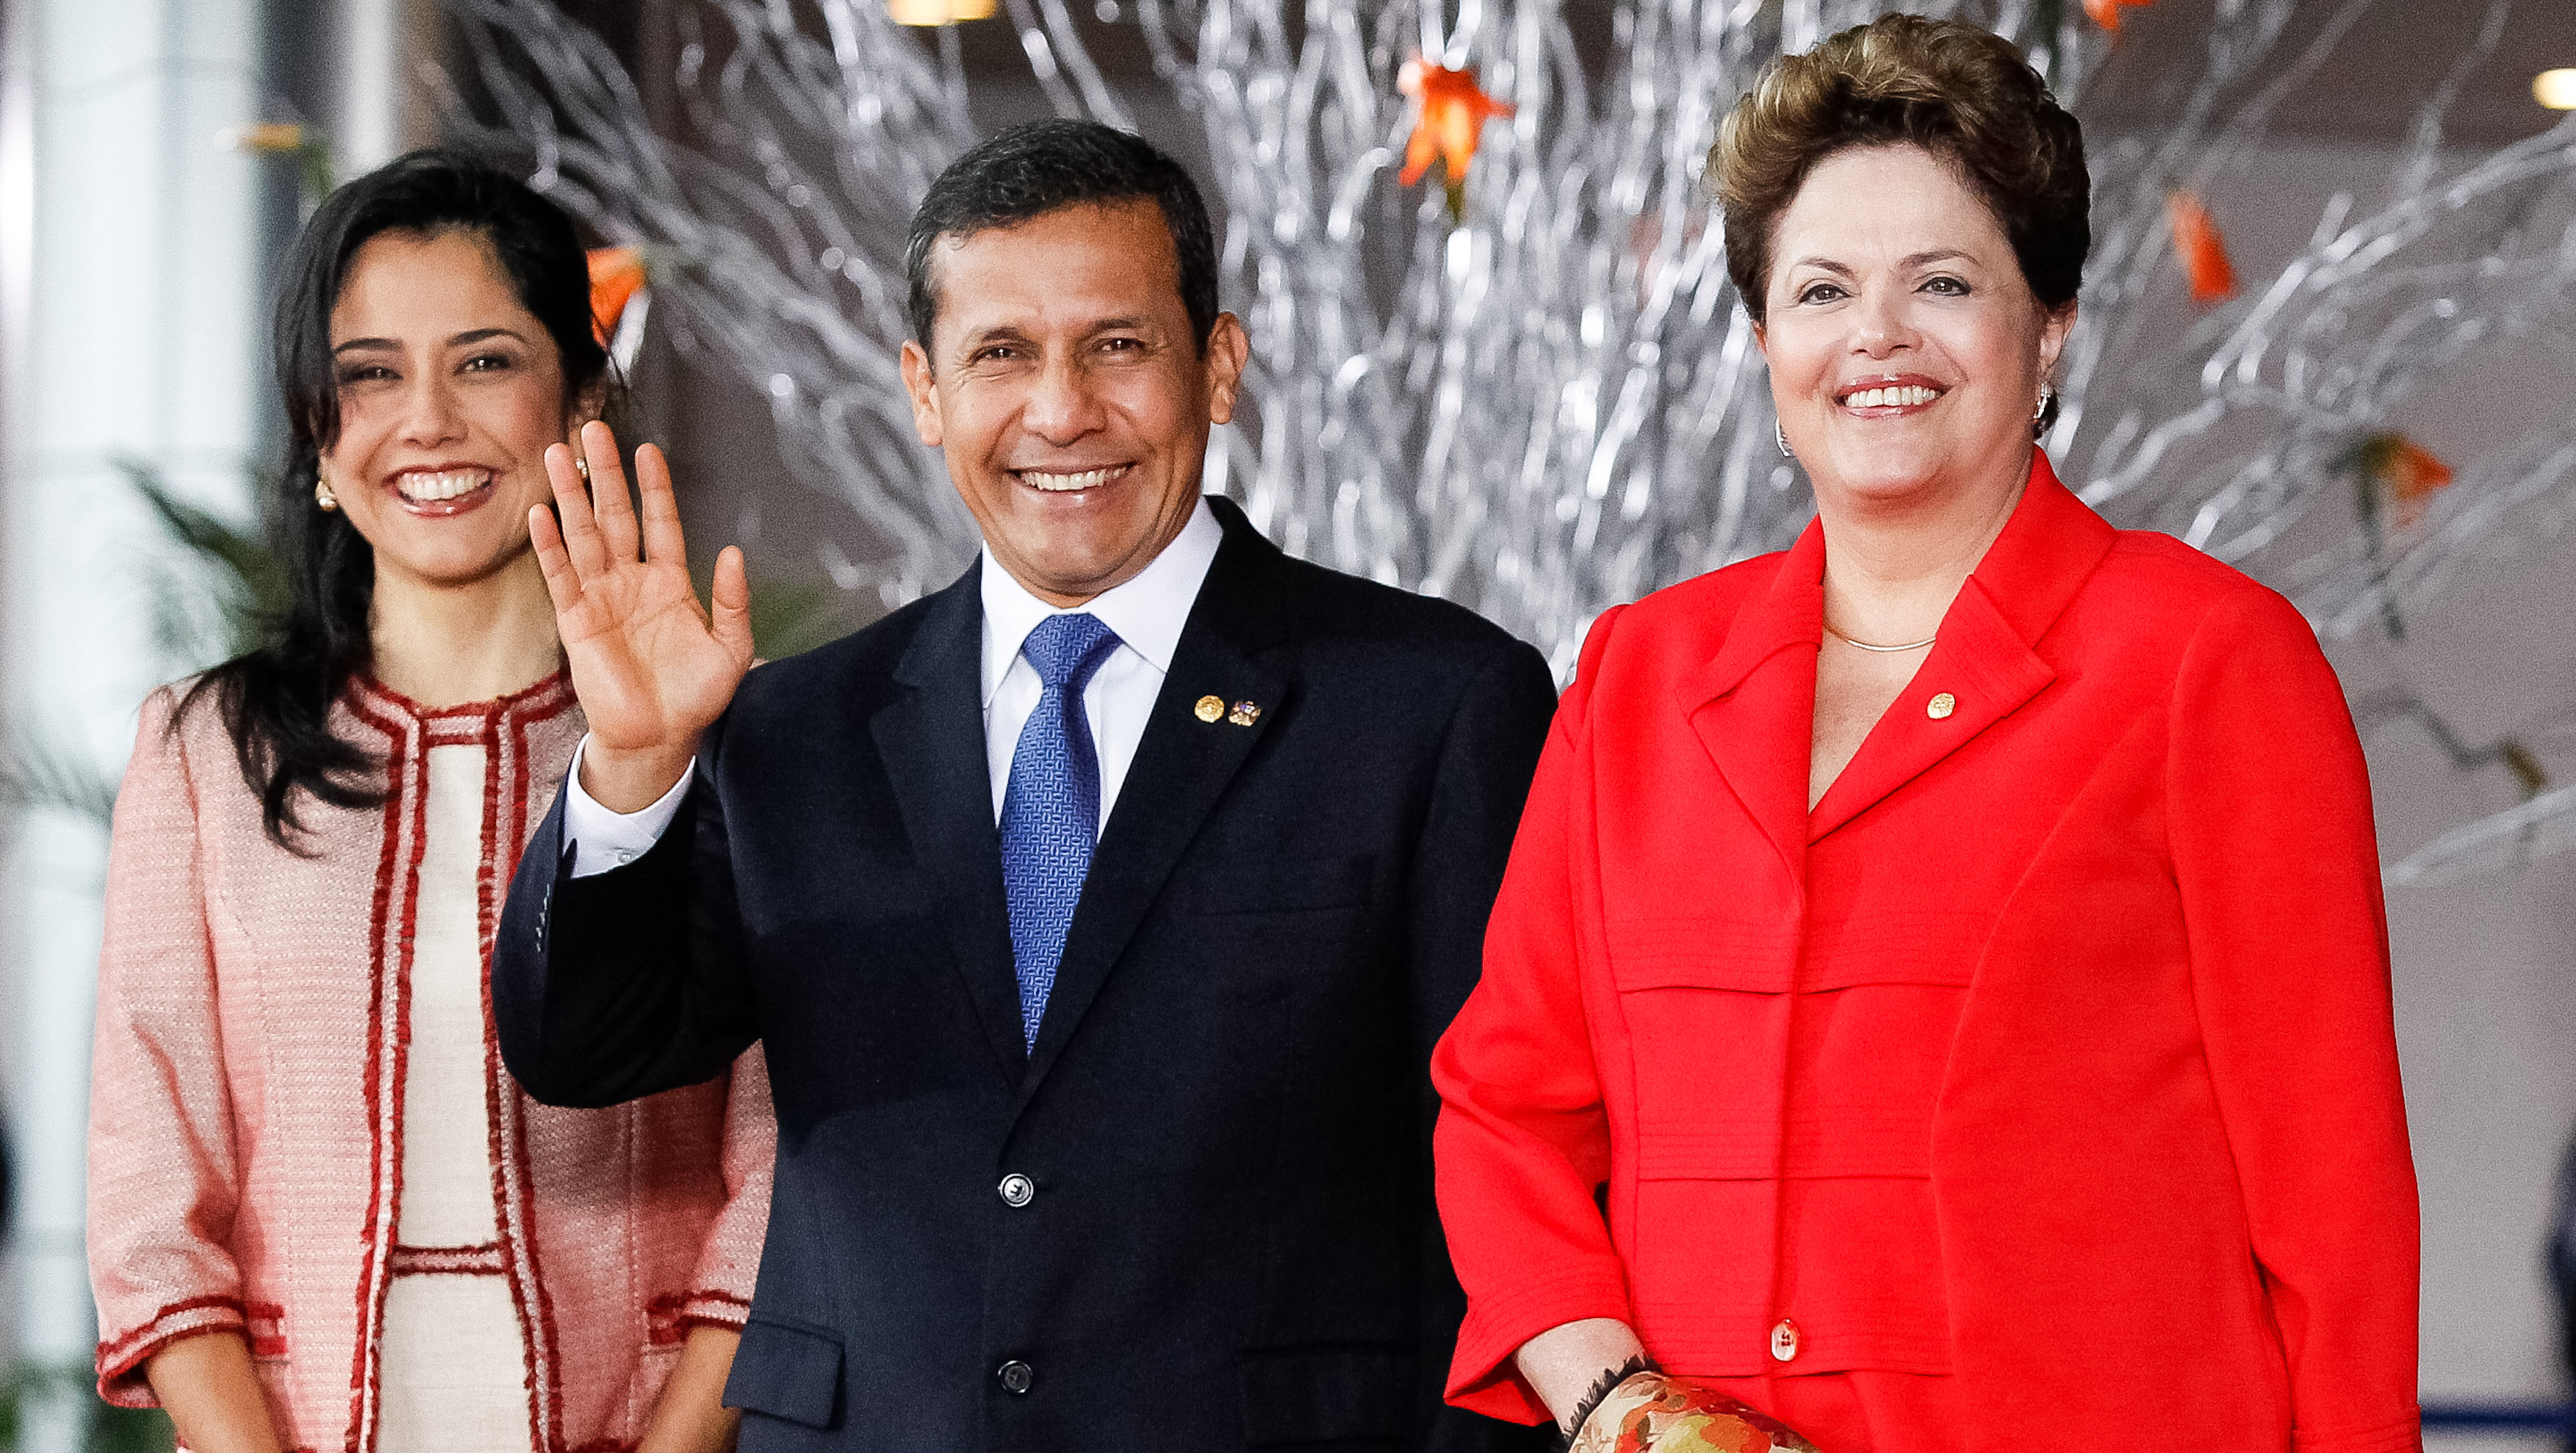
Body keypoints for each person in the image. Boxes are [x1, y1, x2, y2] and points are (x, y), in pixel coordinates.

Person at [489, 119, 1560, 1451]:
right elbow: (585, 1048)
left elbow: (1512, 1167)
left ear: (1218, 366)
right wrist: (637, 765)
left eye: (1117, 345)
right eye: (1000, 353)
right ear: (924, 390)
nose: (1060, 411)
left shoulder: (1429, 703)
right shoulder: (796, 728)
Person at [1430, 16, 2421, 1452]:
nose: (1876, 336)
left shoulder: (2206, 660)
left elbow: (2331, 1206)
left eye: (1941, 282)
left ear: (2049, 325)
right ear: (1764, 341)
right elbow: (1505, 1112)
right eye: (1820, 290)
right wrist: (1619, 1402)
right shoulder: (1639, 675)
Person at [87, 151, 774, 1453]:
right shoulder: (203, 751)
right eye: (370, 374)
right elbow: (150, 1196)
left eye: (484, 362)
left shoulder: (717, 742)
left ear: (581, 397)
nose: (428, 422)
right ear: (318, 436)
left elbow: (784, 1173)